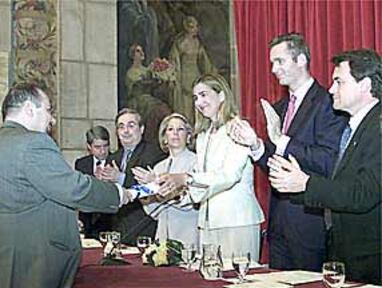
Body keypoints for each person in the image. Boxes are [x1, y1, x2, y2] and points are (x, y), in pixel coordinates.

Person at [0, 83, 132, 288]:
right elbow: (74, 188)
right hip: (21, 281)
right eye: (48, 110)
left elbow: (20, 202)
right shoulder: (32, 143)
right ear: (28, 109)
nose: (52, 119)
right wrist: (118, 193)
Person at [228, 33, 347, 271]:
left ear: (301, 60)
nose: (273, 69)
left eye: (280, 61)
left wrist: (281, 140)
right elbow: (275, 164)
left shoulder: (327, 102)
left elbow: (328, 160)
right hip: (278, 224)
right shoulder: (280, 107)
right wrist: (255, 145)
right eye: (272, 63)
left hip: (309, 223)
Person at [267, 49, 381, 285]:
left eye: (339, 82)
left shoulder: (378, 128)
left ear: (365, 85)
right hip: (345, 251)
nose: (331, 89)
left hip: (371, 260)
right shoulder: (355, 126)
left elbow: (362, 194)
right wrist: (297, 185)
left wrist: (305, 183)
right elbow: (340, 183)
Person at [157, 73, 265, 261]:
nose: (199, 102)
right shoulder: (203, 136)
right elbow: (201, 178)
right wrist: (177, 194)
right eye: (196, 97)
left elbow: (228, 176)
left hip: (236, 221)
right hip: (207, 223)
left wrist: (185, 178)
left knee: (238, 282)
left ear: (221, 95)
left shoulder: (237, 127)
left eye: (204, 95)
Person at [97, 108, 166, 245]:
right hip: (118, 230)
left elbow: (151, 188)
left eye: (131, 125)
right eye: (121, 127)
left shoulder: (154, 154)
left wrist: (121, 178)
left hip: (144, 230)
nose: (125, 131)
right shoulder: (113, 157)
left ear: (141, 129)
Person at [132, 113, 199, 246]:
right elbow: (153, 211)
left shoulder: (197, 162)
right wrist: (146, 192)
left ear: (188, 136)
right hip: (162, 234)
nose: (175, 133)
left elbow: (193, 200)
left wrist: (159, 184)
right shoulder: (159, 166)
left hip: (188, 230)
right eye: (170, 129)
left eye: (180, 129)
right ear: (165, 138)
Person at [169, 16, 216, 124]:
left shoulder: (197, 43)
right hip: (184, 75)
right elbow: (174, 61)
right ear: (189, 28)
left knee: (195, 103)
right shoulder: (180, 43)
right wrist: (175, 77)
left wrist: (211, 73)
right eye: (194, 27)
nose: (196, 29)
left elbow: (204, 60)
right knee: (185, 104)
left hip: (195, 75)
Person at [75, 125, 111, 238]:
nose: (103, 151)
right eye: (97, 147)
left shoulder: (116, 160)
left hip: (110, 221)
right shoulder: (81, 164)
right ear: (89, 146)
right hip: (87, 221)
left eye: (105, 146)